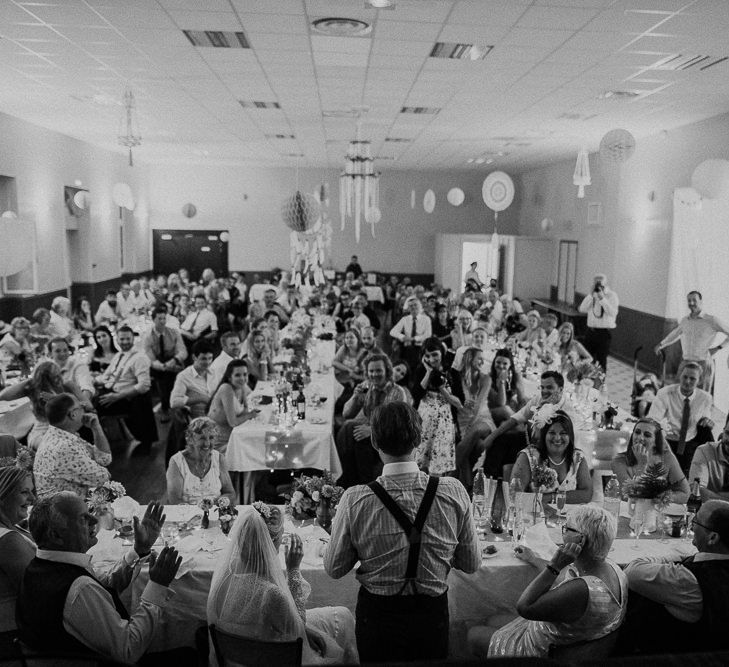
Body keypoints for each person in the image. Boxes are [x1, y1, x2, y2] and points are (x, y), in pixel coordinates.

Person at [325, 401, 479, 662]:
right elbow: (471, 563)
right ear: (418, 439)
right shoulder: (453, 491)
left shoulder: (355, 499)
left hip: (378, 619)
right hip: (431, 617)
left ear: (374, 441)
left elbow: (334, 568)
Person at [16, 494, 191, 666]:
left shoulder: (41, 565)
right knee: (190, 651)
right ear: (56, 535)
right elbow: (129, 650)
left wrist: (139, 549)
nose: (94, 520)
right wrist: (157, 586)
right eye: (83, 518)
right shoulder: (78, 588)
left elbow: (105, 586)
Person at [209, 504, 358, 665]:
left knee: (342, 615)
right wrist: (293, 569)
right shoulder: (270, 594)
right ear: (270, 542)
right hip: (271, 656)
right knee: (344, 616)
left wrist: (307, 630)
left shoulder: (224, 575)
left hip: (236, 655)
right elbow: (296, 631)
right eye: (281, 536)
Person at [477, 505, 627, 658]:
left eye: (567, 529)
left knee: (474, 633)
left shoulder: (581, 590)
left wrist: (555, 565)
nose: (564, 533)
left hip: (539, 650)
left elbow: (524, 607)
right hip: (568, 638)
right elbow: (565, 580)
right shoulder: (613, 568)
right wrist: (533, 559)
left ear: (580, 539)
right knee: (491, 619)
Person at [621, 499, 729, 654]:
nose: (691, 523)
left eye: (696, 520)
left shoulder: (690, 579)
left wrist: (674, 555)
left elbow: (631, 572)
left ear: (712, 538)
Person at [475, 370, 577, 479]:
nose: (544, 391)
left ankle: (509, 484)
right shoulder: (539, 399)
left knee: (516, 453)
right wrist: (491, 437)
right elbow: (516, 418)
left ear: (560, 390)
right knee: (501, 440)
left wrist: (543, 408)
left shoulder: (568, 412)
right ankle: (486, 481)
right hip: (532, 441)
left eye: (549, 387)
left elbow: (548, 438)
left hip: (552, 449)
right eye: (542, 387)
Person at [336, 353, 407, 487]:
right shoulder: (367, 387)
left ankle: (347, 483)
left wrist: (372, 431)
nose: (375, 374)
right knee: (349, 428)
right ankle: (352, 483)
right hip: (368, 438)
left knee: (350, 429)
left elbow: (399, 425)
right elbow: (346, 413)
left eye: (379, 370)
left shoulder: (398, 392)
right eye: (371, 371)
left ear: (387, 370)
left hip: (388, 440)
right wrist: (355, 396)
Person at [93, 326, 158, 457]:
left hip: (125, 398)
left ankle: (98, 450)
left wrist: (117, 397)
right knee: (84, 403)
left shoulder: (140, 358)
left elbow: (144, 386)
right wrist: (93, 380)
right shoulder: (119, 355)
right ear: (116, 339)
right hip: (110, 390)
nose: (125, 342)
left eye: (128, 339)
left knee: (91, 410)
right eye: (122, 339)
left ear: (133, 338)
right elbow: (107, 376)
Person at [33, 393, 111, 498]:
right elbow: (103, 478)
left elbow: (104, 459)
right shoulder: (64, 447)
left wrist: (96, 428)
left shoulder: (56, 435)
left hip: (68, 506)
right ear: (73, 414)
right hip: (68, 511)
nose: (84, 410)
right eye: (82, 407)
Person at [0, 360, 90, 451]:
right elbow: (3, 395)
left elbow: (89, 406)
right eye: (51, 377)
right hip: (42, 433)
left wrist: (62, 398)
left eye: (58, 375)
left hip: (65, 431)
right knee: (58, 448)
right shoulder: (33, 389)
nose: (58, 379)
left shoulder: (67, 385)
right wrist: (30, 381)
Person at [510, 411, 592, 503]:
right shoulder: (529, 457)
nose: (557, 438)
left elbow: (587, 494)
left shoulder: (577, 457)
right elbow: (515, 495)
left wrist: (550, 498)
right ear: (544, 435)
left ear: (570, 436)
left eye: (563, 433)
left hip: (568, 515)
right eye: (552, 433)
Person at [655, 290, 729, 392]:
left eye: (694, 300)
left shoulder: (711, 320)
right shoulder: (685, 320)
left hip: (703, 363)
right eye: (689, 301)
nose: (691, 303)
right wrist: (661, 344)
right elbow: (675, 334)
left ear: (701, 301)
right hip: (685, 361)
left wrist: (718, 348)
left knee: (700, 396)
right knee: (679, 393)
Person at [648, 361, 715, 474]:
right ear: (680, 376)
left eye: (692, 378)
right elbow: (653, 420)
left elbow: (705, 420)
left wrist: (707, 421)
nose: (687, 381)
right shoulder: (665, 393)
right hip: (667, 441)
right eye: (685, 377)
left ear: (699, 381)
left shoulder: (705, 398)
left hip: (689, 442)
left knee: (685, 475)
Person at [412, 338, 463, 476]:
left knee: (437, 465)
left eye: (435, 354)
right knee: (420, 461)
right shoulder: (420, 370)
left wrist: (442, 388)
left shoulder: (452, 372)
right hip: (424, 419)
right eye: (427, 356)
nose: (431, 359)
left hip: (444, 421)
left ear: (442, 353)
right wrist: (428, 373)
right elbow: (416, 395)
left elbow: (459, 402)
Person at [612, 418, 689, 503]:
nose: (640, 438)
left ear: (656, 441)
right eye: (637, 432)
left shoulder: (667, 458)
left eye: (647, 435)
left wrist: (663, 497)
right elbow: (631, 498)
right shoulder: (619, 461)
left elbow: (685, 493)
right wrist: (642, 465)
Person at [166, 417, 235, 505]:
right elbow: (175, 500)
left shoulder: (219, 459)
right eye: (202, 438)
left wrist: (220, 502)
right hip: (188, 515)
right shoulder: (177, 462)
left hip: (215, 511)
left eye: (211, 438)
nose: (207, 443)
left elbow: (230, 493)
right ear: (190, 439)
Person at [0, 465, 35, 635]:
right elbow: (38, 592)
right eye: (24, 492)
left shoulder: (11, 529)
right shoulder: (8, 541)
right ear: (3, 496)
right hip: (18, 634)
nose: (33, 498)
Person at [453, 346, 495, 487]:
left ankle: (448, 475)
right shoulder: (457, 378)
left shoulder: (485, 379)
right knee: (471, 445)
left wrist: (469, 427)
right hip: (463, 421)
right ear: (470, 359)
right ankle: (466, 485)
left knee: (474, 432)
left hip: (483, 420)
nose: (482, 362)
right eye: (480, 359)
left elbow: (479, 404)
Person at [143, 305, 187, 422]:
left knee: (175, 377)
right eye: (159, 319)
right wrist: (163, 367)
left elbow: (183, 351)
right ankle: (167, 407)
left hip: (173, 362)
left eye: (164, 318)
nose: (162, 321)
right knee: (164, 380)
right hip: (158, 366)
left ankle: (169, 406)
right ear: (153, 320)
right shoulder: (147, 336)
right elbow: (150, 358)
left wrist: (174, 361)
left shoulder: (173, 332)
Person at [208, 360, 258, 455]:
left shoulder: (241, 386)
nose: (242, 378)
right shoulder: (226, 389)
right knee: (253, 449)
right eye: (237, 375)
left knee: (256, 443)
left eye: (245, 374)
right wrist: (251, 415)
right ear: (229, 377)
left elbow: (250, 403)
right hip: (218, 444)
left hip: (234, 437)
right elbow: (233, 422)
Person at [578, 273, 619, 370]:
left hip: (603, 333)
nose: (598, 283)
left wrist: (602, 299)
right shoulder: (592, 295)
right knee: (586, 358)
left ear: (605, 282)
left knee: (601, 361)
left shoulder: (612, 295)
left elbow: (613, 313)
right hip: (590, 332)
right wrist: (591, 295)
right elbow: (582, 309)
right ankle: (584, 382)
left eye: (600, 281)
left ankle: (600, 384)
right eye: (596, 281)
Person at [170, 339, 217, 419]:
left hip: (216, 416)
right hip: (198, 420)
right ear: (194, 357)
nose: (208, 362)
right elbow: (174, 402)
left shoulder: (214, 372)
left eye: (210, 358)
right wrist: (200, 398)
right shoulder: (184, 376)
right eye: (203, 359)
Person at [689, 415, 729, 501]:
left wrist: (712, 495)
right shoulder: (705, 451)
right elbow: (697, 490)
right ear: (723, 431)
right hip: (709, 512)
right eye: (728, 433)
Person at [389, 297, 432, 372]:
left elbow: (428, 334)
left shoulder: (426, 319)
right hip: (407, 349)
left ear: (420, 306)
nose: (413, 307)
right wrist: (403, 337)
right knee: (406, 368)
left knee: (418, 370)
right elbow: (392, 332)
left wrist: (414, 338)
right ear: (408, 308)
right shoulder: (405, 319)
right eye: (411, 306)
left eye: (415, 305)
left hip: (420, 348)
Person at [48, 337, 95, 403]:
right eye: (58, 351)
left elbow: (87, 388)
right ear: (50, 354)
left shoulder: (79, 365)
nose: (62, 354)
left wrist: (81, 405)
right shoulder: (48, 370)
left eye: (65, 350)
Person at [487, 348, 527, 425]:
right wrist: (502, 383)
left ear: (510, 365)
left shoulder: (514, 376)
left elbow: (521, 400)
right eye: (498, 362)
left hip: (508, 413)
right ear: (494, 363)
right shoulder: (488, 378)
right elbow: (501, 403)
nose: (501, 366)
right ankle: (523, 428)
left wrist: (518, 383)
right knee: (506, 409)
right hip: (491, 411)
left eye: (505, 363)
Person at [332, 329, 363, 413]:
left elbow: (365, 377)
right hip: (341, 381)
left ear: (358, 339)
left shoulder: (363, 353)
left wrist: (354, 377)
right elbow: (334, 362)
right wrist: (348, 369)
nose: (349, 340)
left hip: (353, 385)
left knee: (336, 407)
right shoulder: (344, 348)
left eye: (352, 337)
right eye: (347, 337)